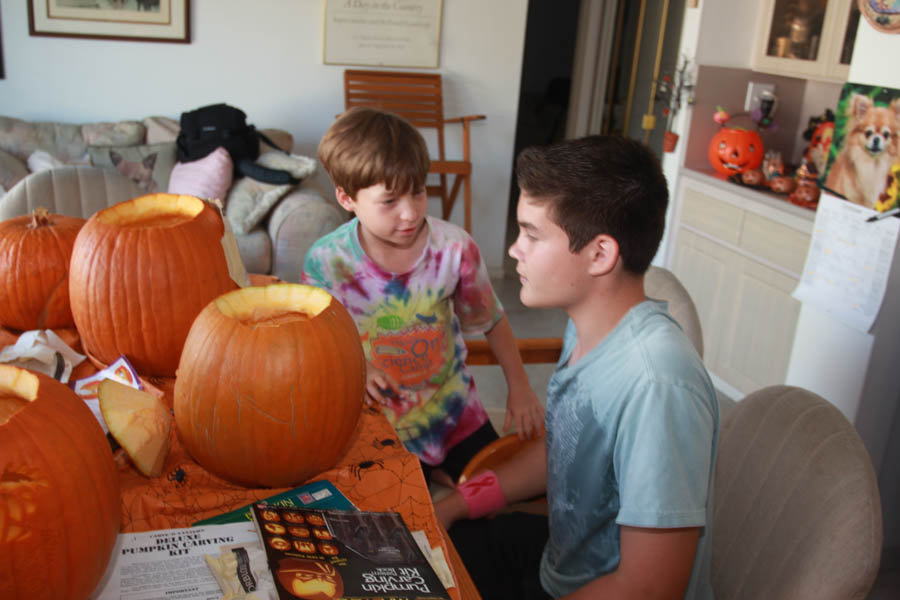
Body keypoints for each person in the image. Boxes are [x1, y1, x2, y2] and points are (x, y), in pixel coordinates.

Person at [435, 135, 719, 599]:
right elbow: (560, 453)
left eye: (532, 234)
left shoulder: (657, 385)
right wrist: (455, 507)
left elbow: (649, 587)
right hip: (559, 565)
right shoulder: (589, 325)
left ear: (600, 255)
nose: (513, 250)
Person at [302, 107, 543, 484]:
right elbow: (317, 342)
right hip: (370, 426)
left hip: (452, 415)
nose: (411, 212)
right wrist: (358, 368)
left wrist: (520, 388)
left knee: (501, 495)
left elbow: (492, 320)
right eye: (390, 201)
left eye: (418, 191)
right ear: (347, 198)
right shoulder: (324, 262)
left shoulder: (455, 249)